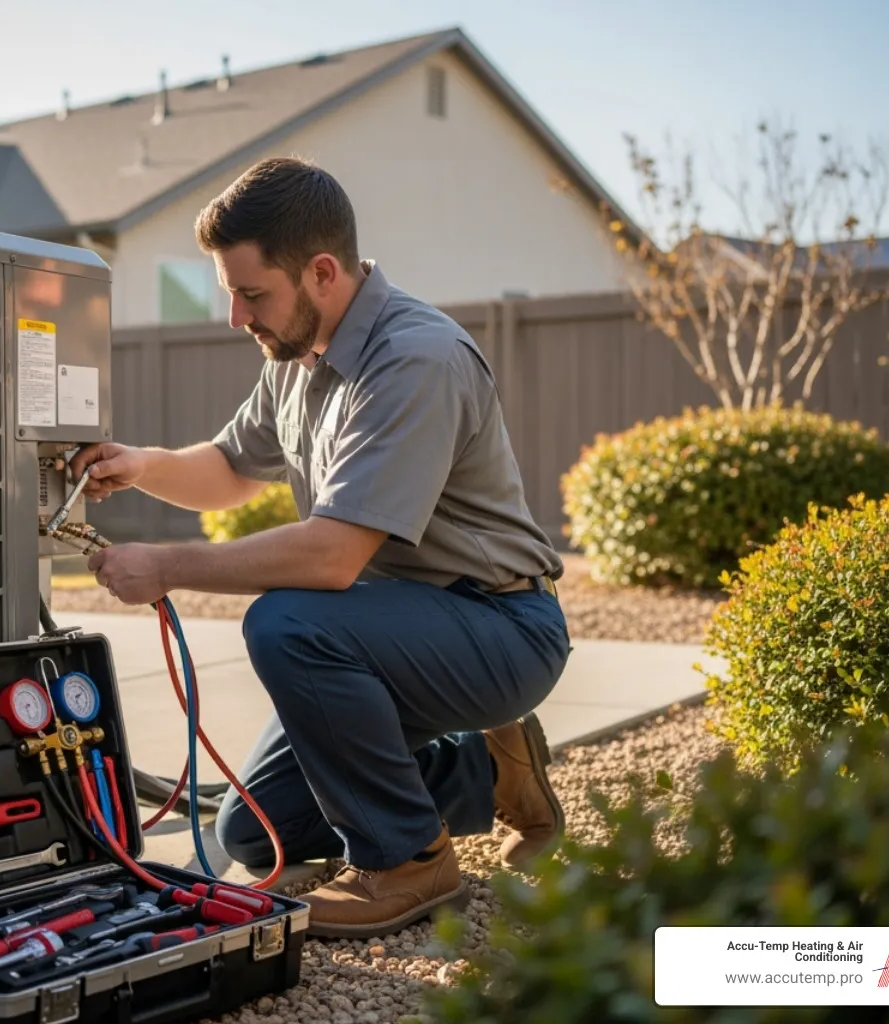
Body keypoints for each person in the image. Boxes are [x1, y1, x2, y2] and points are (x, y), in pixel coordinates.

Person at [68, 156, 571, 940]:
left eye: (251, 293)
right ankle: (488, 770)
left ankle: (408, 861)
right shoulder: (299, 357)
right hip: (395, 632)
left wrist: (165, 568)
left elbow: (331, 557)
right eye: (230, 293)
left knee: (288, 625)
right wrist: (138, 467)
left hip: (499, 628)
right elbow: (231, 469)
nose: (237, 316)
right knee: (251, 830)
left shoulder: (414, 359)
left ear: (323, 272)